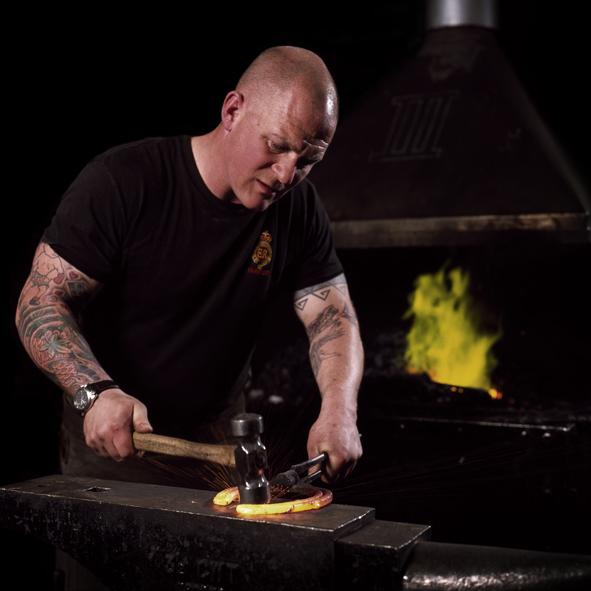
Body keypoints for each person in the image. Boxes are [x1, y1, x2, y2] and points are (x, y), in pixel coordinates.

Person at [15, 46, 364, 491]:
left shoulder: (299, 208)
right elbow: (40, 300)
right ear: (233, 110)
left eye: (308, 160)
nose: (285, 174)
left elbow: (332, 317)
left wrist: (339, 412)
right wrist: (95, 393)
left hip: (222, 455)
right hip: (116, 447)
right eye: (276, 146)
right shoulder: (124, 181)